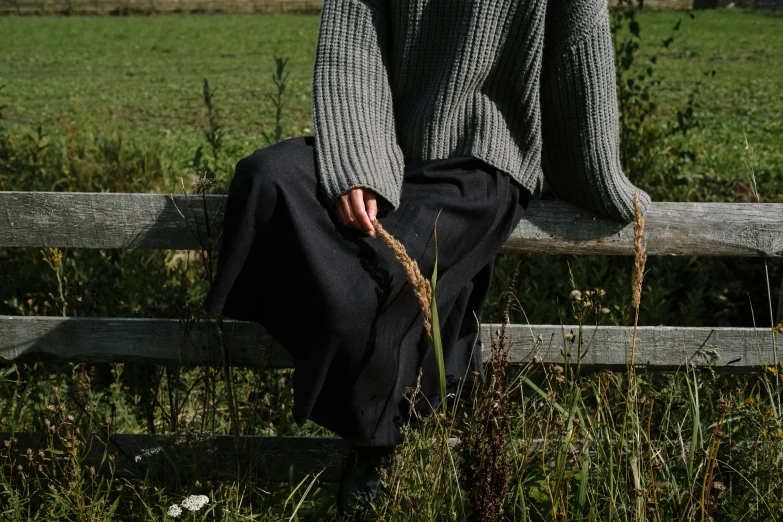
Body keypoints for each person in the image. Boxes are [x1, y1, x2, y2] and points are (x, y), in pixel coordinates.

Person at [203, 0, 651, 515]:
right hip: (385, 150)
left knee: (374, 281)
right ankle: (350, 378)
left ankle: (373, 450)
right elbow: (353, 46)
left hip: (481, 165)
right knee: (268, 176)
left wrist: (607, 187)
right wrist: (358, 164)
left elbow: (580, 53)